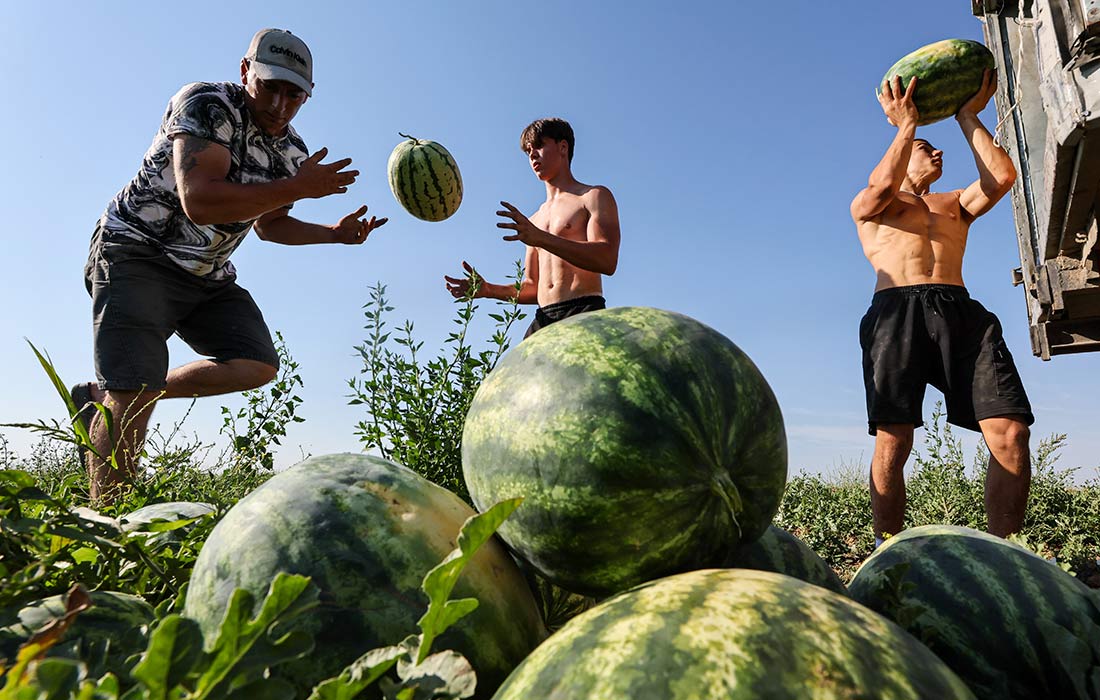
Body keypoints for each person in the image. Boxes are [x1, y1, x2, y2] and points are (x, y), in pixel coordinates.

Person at [71, 28, 387, 503]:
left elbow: (270, 225)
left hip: (205, 275)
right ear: (246, 72)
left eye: (294, 94)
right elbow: (200, 200)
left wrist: (333, 235)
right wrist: (299, 188)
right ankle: (108, 524)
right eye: (271, 86)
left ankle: (104, 400)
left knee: (256, 364)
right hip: (137, 251)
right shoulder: (207, 105)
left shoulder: (292, 154)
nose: (281, 104)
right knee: (133, 385)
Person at [850, 70, 1033, 544]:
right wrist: (905, 127)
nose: (938, 152)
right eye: (925, 148)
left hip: (961, 311)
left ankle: (1006, 552)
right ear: (901, 154)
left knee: (1010, 431)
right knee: (895, 438)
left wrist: (967, 115)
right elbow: (879, 185)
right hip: (896, 313)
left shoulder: (954, 203)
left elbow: (1002, 177)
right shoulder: (874, 204)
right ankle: (887, 549)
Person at [444, 118, 620, 337]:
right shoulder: (534, 220)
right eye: (528, 151)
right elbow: (533, 286)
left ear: (563, 147)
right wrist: (489, 290)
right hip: (544, 318)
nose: (532, 155)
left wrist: (542, 238)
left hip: (583, 312)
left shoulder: (593, 197)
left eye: (539, 146)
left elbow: (607, 259)